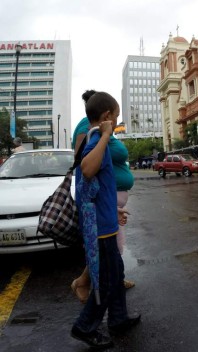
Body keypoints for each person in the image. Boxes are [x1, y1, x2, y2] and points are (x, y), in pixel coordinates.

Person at [71, 92, 140, 349]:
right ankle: (85, 327)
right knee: (107, 279)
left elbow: (101, 186)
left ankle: (118, 318)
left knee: (116, 271)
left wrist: (114, 211)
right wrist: (107, 134)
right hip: (99, 229)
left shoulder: (98, 139)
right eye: (117, 116)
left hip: (106, 220)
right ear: (107, 116)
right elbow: (88, 170)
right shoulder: (95, 138)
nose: (117, 120)